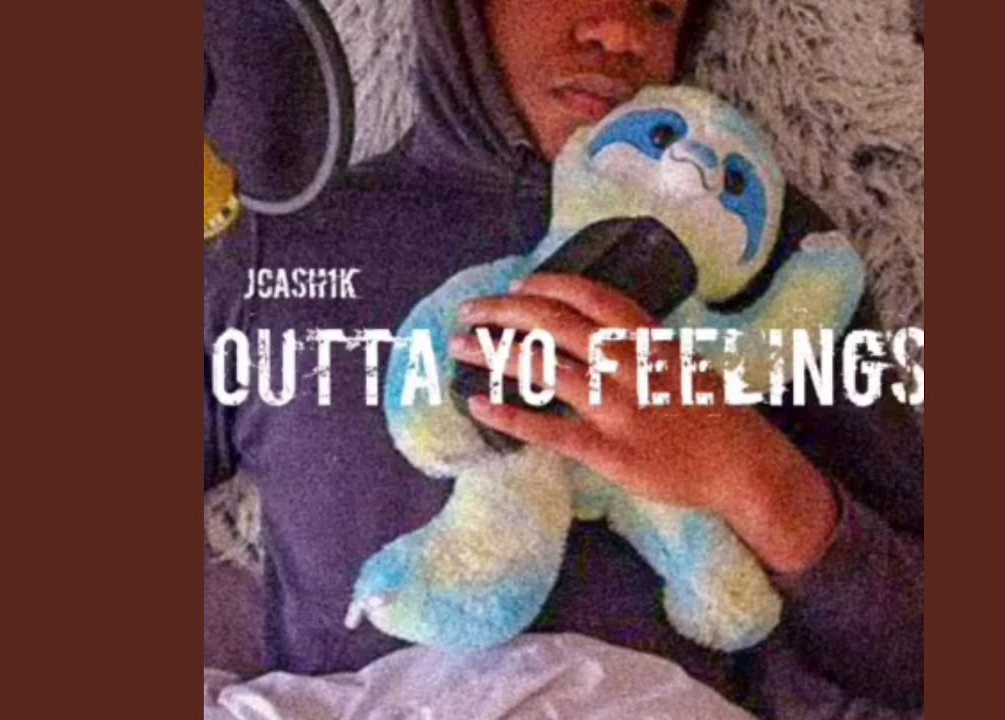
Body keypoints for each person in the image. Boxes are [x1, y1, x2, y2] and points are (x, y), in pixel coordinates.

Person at [204, 0, 924, 715]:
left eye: (662, 11)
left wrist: (749, 472)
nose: (624, 32)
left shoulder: (757, 244)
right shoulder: (283, 247)